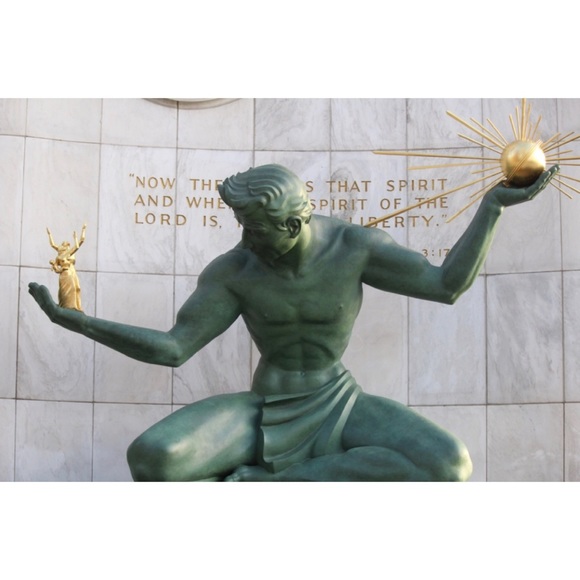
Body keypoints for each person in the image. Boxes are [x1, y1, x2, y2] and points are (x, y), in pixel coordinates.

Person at [28, 163, 558, 481]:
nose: (244, 238)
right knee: (153, 458)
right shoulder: (235, 270)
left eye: (254, 228)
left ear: (292, 224)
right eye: (242, 226)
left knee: (449, 464)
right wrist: (80, 322)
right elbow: (174, 348)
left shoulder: (354, 247)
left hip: (339, 403)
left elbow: (445, 286)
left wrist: (492, 207)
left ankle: (279, 483)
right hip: (264, 407)